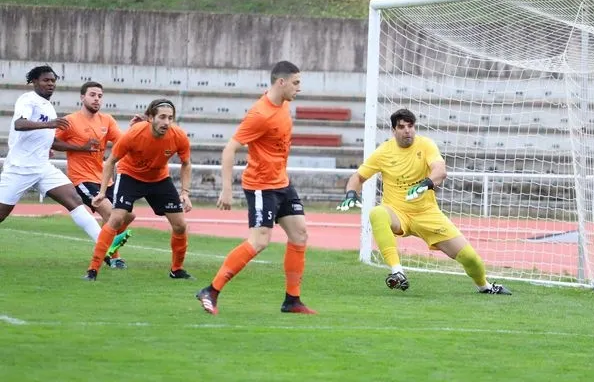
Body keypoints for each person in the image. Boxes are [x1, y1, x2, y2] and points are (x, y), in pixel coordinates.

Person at [338, 108, 511, 295]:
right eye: (402, 127)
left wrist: (427, 182)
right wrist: (351, 193)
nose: (407, 131)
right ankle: (397, 272)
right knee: (377, 213)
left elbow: (440, 170)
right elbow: (358, 177)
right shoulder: (383, 152)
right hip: (398, 213)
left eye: (410, 126)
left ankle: (484, 287)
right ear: (393, 130)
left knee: (471, 259)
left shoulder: (426, 145)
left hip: (427, 214)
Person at [196, 61, 315, 315]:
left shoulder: (283, 106)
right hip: (262, 186)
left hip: (282, 182)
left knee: (300, 235)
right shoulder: (259, 114)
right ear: (280, 82)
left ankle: (292, 300)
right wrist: (226, 189)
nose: (299, 88)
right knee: (260, 241)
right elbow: (229, 148)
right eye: (296, 83)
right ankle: (211, 290)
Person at [83, 98, 193, 282]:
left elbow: (186, 164)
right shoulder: (134, 134)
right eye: (162, 117)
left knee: (181, 225)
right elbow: (110, 161)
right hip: (130, 176)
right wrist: (102, 192)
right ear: (150, 117)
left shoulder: (179, 136)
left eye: (170, 118)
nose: (166, 122)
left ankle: (177, 270)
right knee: (116, 218)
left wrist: (185, 193)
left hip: (159, 178)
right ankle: (93, 269)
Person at [0, 66, 104, 244]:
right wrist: (50, 124)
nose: (50, 84)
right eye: (46, 80)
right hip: (20, 168)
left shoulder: (48, 107)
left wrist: (82, 148)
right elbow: (19, 124)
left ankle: (105, 246)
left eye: (53, 81)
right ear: (34, 82)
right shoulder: (28, 100)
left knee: (74, 200)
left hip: (43, 168)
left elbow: (52, 141)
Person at [54, 81, 135, 268]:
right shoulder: (71, 121)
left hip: (105, 179)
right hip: (82, 178)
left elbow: (122, 142)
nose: (96, 99)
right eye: (92, 95)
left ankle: (107, 245)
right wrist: (79, 148)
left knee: (128, 216)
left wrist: (134, 130)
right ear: (82, 97)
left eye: (99, 95)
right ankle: (115, 258)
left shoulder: (107, 120)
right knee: (111, 214)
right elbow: (53, 142)